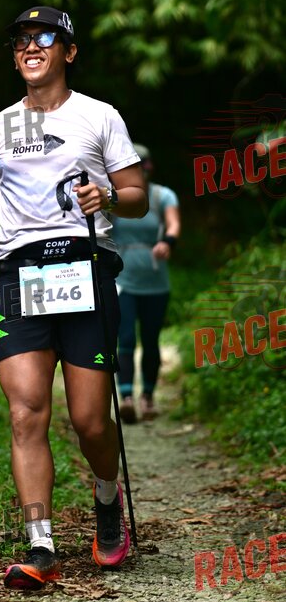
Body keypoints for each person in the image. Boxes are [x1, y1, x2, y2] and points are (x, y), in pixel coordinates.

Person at [0, 6, 148, 589]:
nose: (30, 47)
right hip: (22, 274)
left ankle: (107, 497)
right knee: (25, 410)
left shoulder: (99, 116)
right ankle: (41, 545)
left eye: (44, 37)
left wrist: (106, 196)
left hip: (85, 266)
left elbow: (137, 194)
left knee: (90, 422)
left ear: (68, 51)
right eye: (20, 41)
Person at [112, 145, 180, 423]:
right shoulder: (113, 196)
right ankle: (127, 396)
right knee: (126, 337)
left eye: (142, 164)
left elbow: (173, 223)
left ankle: (148, 397)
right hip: (122, 280)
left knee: (151, 340)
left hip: (155, 281)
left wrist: (168, 242)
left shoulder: (163, 195)